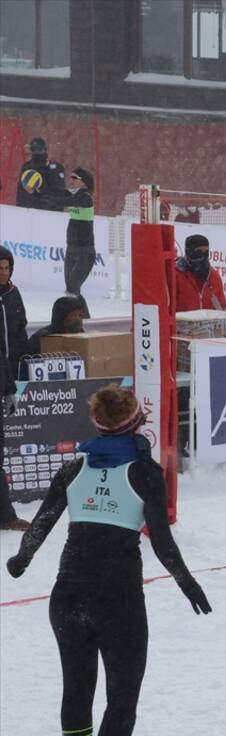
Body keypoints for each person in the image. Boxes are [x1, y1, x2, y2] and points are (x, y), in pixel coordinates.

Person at [4, 385, 212, 736]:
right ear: (136, 422)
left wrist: (21, 559)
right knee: (122, 696)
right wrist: (187, 583)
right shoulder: (146, 472)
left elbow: (41, 521)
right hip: (117, 599)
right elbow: (163, 544)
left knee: (77, 690)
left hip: (67, 595)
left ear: (96, 424)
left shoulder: (74, 468)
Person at [1, 246, 31, 531]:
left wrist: (10, 385)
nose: (3, 272)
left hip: (6, 374)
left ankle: (5, 515)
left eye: (6, 267)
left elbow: (18, 333)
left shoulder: (13, 295)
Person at [22, 295, 88, 375]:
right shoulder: (43, 338)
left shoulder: (83, 338)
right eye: (73, 315)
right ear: (62, 317)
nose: (78, 319)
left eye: (80, 316)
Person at [63, 167, 96, 307]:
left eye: (74, 178)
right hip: (71, 248)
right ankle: (81, 319)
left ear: (84, 183)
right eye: (70, 177)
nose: (71, 180)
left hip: (84, 251)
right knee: (72, 289)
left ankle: (80, 320)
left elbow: (69, 201)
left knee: (72, 290)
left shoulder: (86, 198)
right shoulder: (73, 195)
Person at [174, 234, 226, 311]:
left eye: (206, 252)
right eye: (198, 251)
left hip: (208, 322)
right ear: (189, 251)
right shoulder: (176, 275)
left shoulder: (213, 276)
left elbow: (221, 307)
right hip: (182, 321)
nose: (203, 256)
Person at [15, 136, 67, 211]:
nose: (37, 152)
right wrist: (20, 210)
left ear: (45, 150)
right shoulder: (27, 167)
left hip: (49, 211)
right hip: (30, 211)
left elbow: (59, 192)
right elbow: (21, 192)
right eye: (34, 149)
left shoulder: (55, 167)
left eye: (39, 150)